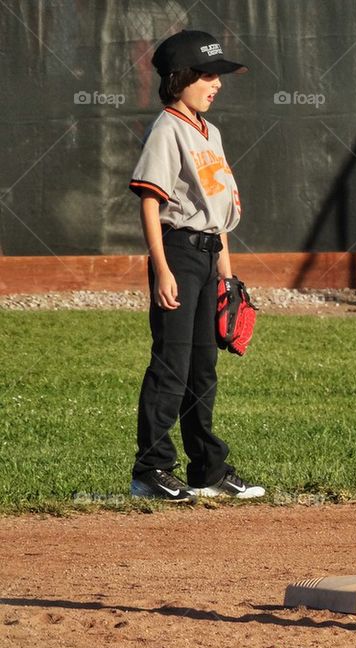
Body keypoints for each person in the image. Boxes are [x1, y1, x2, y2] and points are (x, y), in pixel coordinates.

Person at [128, 30, 264, 501]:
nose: (217, 83)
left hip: (208, 256)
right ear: (180, 78)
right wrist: (162, 269)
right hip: (178, 255)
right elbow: (150, 202)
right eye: (208, 74)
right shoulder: (167, 129)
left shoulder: (212, 133)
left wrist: (227, 275)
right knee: (172, 364)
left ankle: (207, 469)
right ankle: (150, 470)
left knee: (204, 367)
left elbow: (218, 212)